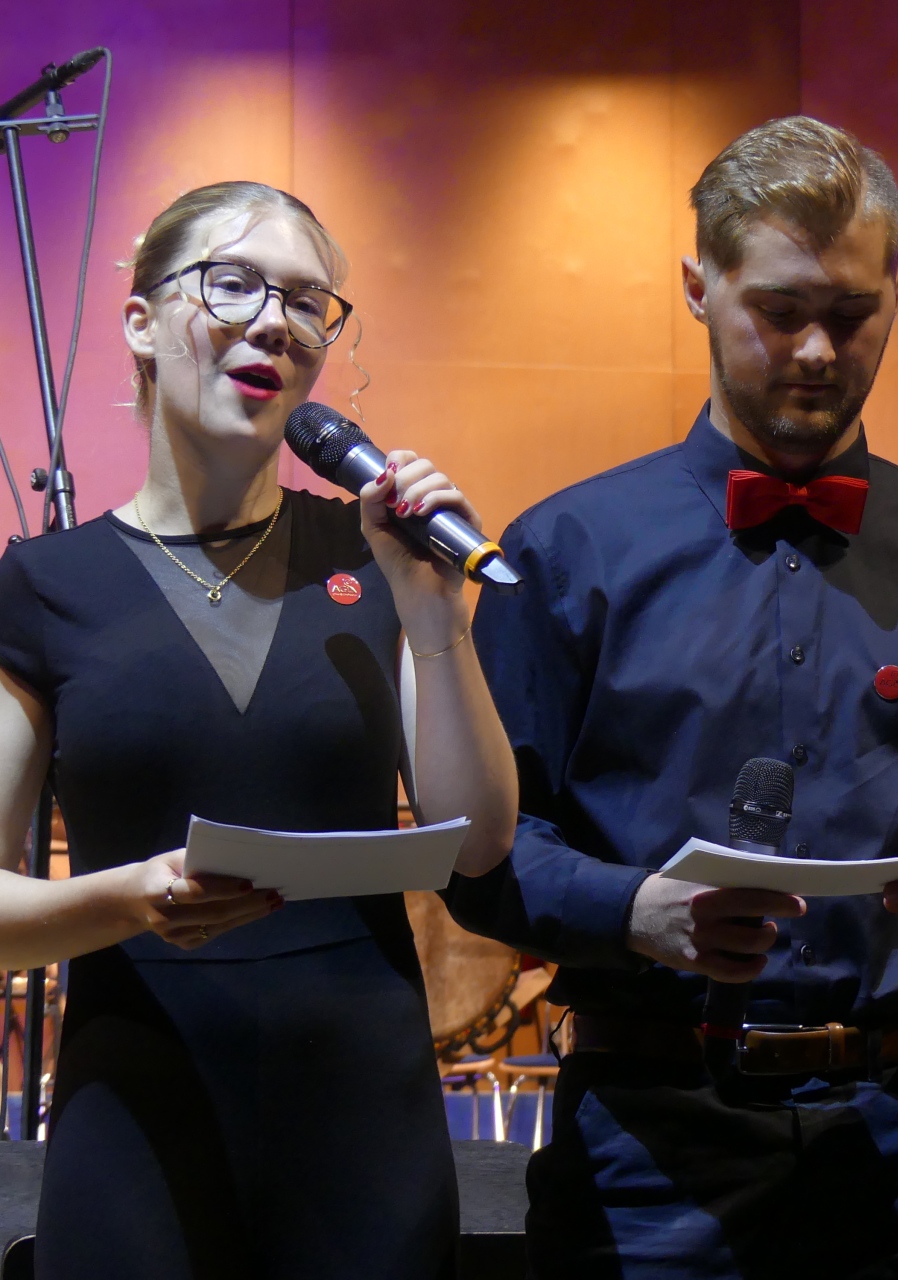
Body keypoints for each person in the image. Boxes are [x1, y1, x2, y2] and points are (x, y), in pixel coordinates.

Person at [446, 117, 898, 1278]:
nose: (817, 349)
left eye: (852, 312)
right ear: (697, 286)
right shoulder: (564, 551)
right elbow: (476, 858)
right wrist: (632, 908)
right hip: (648, 1141)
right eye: (780, 311)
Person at [0, 179, 518, 1279]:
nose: (275, 322)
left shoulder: (377, 555)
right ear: (141, 321)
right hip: (138, 1117)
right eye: (233, 285)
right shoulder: (44, 585)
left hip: (363, 1124)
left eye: (306, 301)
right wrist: (130, 899)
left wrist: (434, 613)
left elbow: (476, 843)